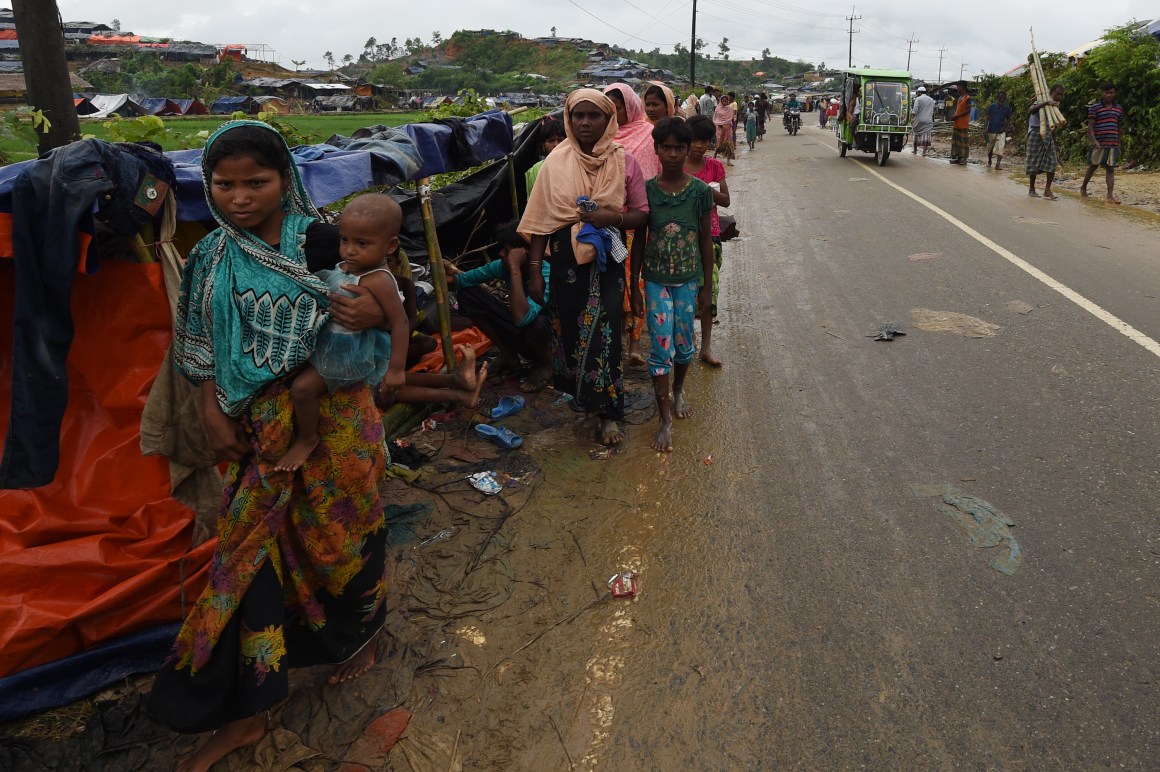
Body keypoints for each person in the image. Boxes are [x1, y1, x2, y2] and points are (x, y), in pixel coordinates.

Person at [147, 120, 399, 772]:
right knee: (245, 559)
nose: (237, 197)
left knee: (342, 540)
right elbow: (198, 343)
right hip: (257, 426)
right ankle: (246, 713)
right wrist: (210, 408)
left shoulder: (317, 241)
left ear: (284, 179)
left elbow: (396, 295)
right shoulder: (211, 255)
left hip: (335, 422)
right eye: (223, 184)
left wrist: (375, 313)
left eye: (254, 182)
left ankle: (360, 637)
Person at [518, 89, 649, 446]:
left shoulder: (625, 161)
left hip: (606, 260)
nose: (586, 123)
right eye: (579, 116)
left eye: (594, 116)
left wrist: (613, 217)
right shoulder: (554, 164)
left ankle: (610, 414)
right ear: (569, 119)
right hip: (564, 263)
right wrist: (533, 271)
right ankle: (590, 407)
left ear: (609, 120)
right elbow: (541, 220)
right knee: (573, 335)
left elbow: (642, 213)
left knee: (605, 334)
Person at [278, 193, 411, 471]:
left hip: (345, 351)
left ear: (390, 246)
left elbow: (400, 322)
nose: (350, 250)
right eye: (345, 240)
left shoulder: (379, 279)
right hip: (330, 340)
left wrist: (396, 369)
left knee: (303, 390)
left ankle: (307, 438)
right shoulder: (351, 266)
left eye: (362, 243)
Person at [630, 118, 714, 453]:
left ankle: (678, 389)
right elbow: (638, 241)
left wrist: (706, 288)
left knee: (683, 343)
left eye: (680, 147)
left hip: (688, 280)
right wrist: (634, 285)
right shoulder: (648, 190)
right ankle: (664, 418)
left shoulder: (699, 192)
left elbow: (705, 239)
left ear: (688, 148)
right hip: (654, 281)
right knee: (660, 346)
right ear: (657, 149)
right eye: (667, 147)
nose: (674, 154)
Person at [446, 221, 553, 393]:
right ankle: (509, 355)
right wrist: (439, 271)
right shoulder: (501, 266)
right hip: (521, 328)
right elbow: (461, 281)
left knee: (535, 323)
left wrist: (514, 269)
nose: (501, 254)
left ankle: (547, 364)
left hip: (548, 338)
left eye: (507, 250)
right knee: (468, 294)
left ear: (524, 252)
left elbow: (523, 318)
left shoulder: (545, 274)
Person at [605, 82, 659, 366]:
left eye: (618, 108)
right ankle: (617, 341)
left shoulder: (648, 134)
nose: (613, 114)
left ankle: (635, 343)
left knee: (635, 282)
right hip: (606, 223)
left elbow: (656, 173)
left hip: (638, 221)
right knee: (615, 285)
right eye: (609, 109)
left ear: (630, 107)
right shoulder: (600, 138)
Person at [685, 115, 729, 367]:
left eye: (704, 140)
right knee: (686, 291)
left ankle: (706, 347)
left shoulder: (714, 166)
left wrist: (702, 188)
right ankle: (688, 339)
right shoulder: (675, 166)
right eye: (694, 140)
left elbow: (725, 200)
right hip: (683, 236)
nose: (698, 146)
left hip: (710, 236)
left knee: (708, 292)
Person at [1080, 82, 1125, 204]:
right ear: (1102, 93)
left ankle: (1109, 196)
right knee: (1093, 166)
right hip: (1099, 142)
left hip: (1113, 142)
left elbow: (1119, 126)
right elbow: (1090, 126)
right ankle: (1083, 188)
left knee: (1110, 169)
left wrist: (1119, 144)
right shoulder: (1095, 107)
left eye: (1111, 93)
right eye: (1106, 93)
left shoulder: (1118, 108)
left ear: (1115, 93)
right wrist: (1094, 140)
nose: (1109, 95)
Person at [1027, 83, 1064, 200]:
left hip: (1048, 133)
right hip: (1035, 132)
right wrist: (1046, 103)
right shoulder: (1041, 100)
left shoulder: (1056, 106)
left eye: (1061, 95)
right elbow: (1031, 110)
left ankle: (1047, 190)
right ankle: (1032, 189)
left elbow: (1054, 126)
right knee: (1033, 161)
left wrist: (1055, 144)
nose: (1059, 96)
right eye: (1057, 94)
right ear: (1051, 93)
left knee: (1052, 161)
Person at [525, 115, 567, 195]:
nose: (556, 144)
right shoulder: (535, 171)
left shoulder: (576, 166)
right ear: (543, 145)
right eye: (551, 141)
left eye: (560, 140)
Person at [984, 91, 1013, 169]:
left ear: (1005, 99)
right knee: (990, 147)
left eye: (1003, 98)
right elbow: (987, 117)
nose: (1002, 99)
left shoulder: (1007, 108)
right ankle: (989, 161)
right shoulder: (992, 106)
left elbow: (1009, 119)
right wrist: (985, 128)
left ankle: (998, 164)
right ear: (998, 98)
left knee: (1000, 147)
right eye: (1001, 97)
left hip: (1001, 131)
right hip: (991, 129)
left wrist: (1003, 128)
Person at [950, 81, 972, 165]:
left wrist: (957, 116)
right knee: (957, 141)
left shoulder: (967, 98)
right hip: (957, 123)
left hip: (963, 124)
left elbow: (968, 110)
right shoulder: (960, 97)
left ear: (962, 87)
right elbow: (958, 109)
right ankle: (958, 158)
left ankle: (964, 159)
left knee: (963, 142)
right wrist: (954, 115)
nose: (957, 88)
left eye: (958, 86)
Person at [911, 86, 935, 157]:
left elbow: (915, 110)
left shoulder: (918, 99)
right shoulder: (931, 99)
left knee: (916, 134)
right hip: (928, 120)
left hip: (919, 120)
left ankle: (915, 150)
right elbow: (932, 110)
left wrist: (912, 119)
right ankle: (924, 152)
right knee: (926, 136)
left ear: (919, 92)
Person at [713, 92, 736, 165]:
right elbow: (716, 119)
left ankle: (728, 161)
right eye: (723, 101)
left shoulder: (730, 109)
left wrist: (732, 127)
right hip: (720, 129)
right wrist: (720, 124)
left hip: (728, 129)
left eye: (726, 101)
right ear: (721, 101)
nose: (724, 102)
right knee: (719, 144)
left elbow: (731, 118)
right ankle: (714, 157)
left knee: (729, 145)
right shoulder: (717, 109)